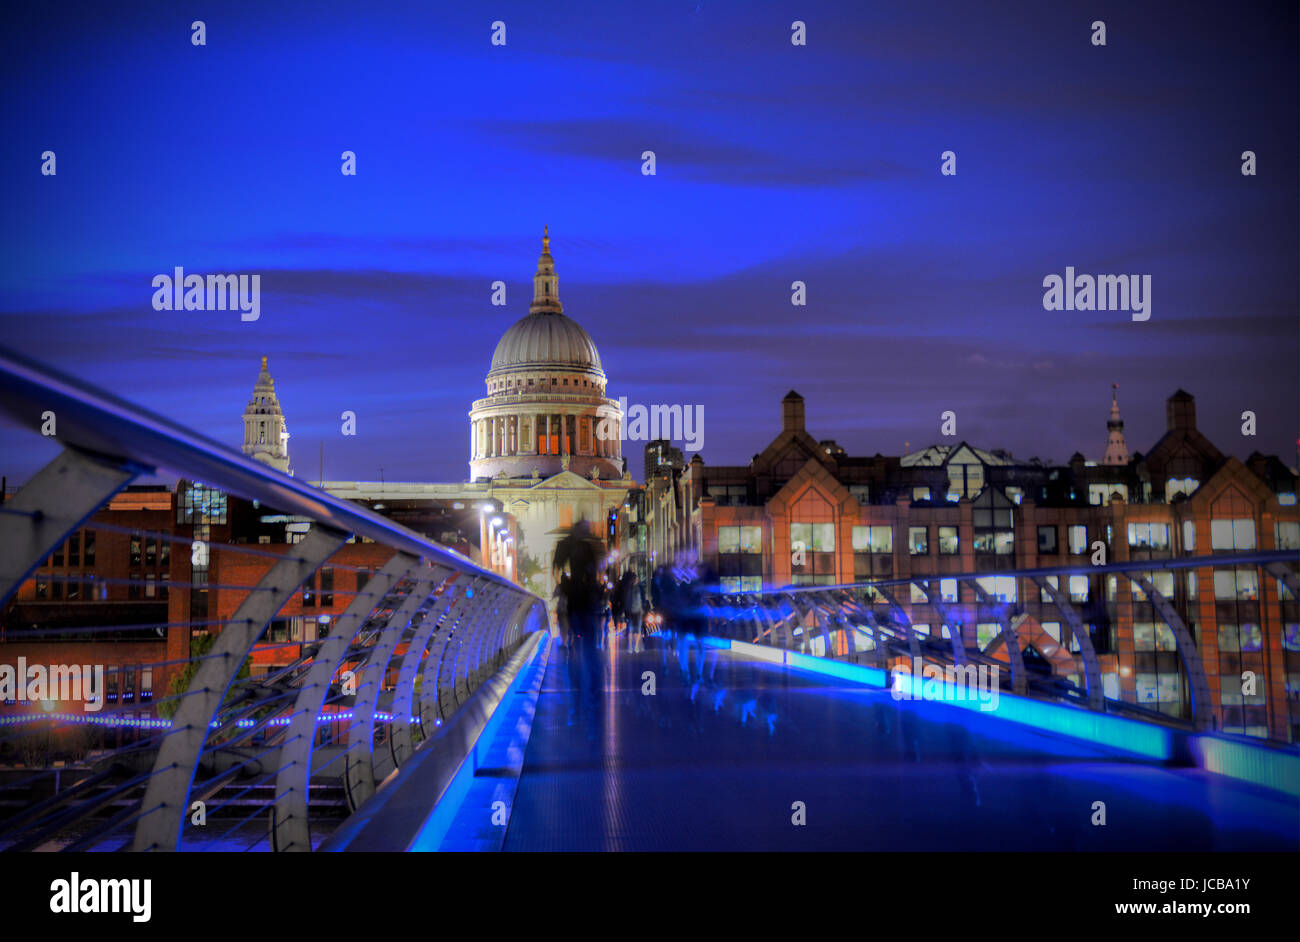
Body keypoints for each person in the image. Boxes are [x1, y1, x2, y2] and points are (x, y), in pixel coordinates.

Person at [553, 520, 606, 734]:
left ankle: (578, 698)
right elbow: (594, 574)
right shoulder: (584, 547)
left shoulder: (568, 546)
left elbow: (558, 570)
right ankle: (591, 693)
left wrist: (563, 587)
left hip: (576, 601)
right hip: (583, 602)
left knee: (578, 646)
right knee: (589, 648)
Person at [620, 570, 646, 653]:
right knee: (633, 630)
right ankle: (632, 647)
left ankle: (634, 646)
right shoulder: (631, 589)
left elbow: (642, 599)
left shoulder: (636, 588)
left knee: (636, 630)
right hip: (633, 611)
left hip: (636, 611)